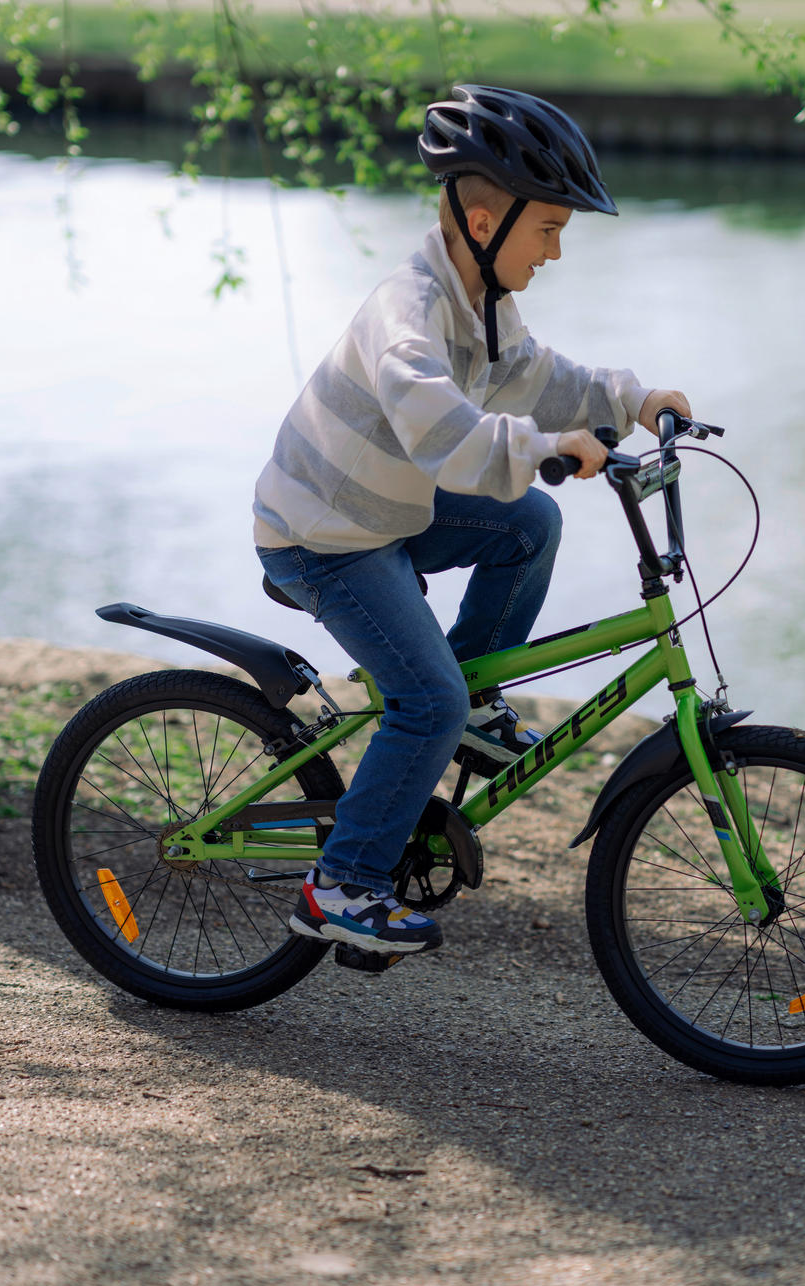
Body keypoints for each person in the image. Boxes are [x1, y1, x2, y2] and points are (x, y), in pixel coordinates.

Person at [254, 84, 690, 958]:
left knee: (529, 525)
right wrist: (547, 445)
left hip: (388, 507)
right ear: (486, 223)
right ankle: (341, 887)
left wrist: (629, 398)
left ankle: (472, 701)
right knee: (424, 699)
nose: (557, 253)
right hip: (326, 534)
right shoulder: (406, 313)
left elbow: (534, 373)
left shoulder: (479, 304)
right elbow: (447, 436)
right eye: (550, 231)